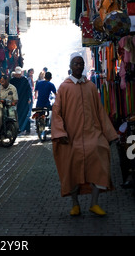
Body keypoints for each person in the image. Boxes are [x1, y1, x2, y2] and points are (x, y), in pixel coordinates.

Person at [51, 53, 118, 217]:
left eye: (81, 64)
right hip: (71, 138)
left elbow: (100, 112)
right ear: (71, 66)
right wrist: (60, 132)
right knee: (72, 172)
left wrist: (109, 134)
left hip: (92, 135)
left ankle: (94, 204)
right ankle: (75, 204)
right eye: (76, 63)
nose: (79, 66)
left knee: (99, 165)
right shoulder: (64, 87)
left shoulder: (90, 87)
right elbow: (56, 112)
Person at [0, 74, 18, 140]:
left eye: (3, 81)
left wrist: (12, 104)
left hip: (10, 106)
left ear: (6, 80)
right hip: (1, 107)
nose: (2, 83)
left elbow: (15, 100)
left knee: (13, 115)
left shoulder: (13, 88)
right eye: (1, 81)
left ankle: (15, 129)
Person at [10, 66, 33, 134]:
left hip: (24, 99)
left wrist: (29, 98)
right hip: (16, 99)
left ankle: (27, 128)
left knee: (25, 113)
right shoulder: (12, 81)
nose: (18, 75)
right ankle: (19, 127)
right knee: (17, 113)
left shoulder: (24, 80)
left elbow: (29, 90)